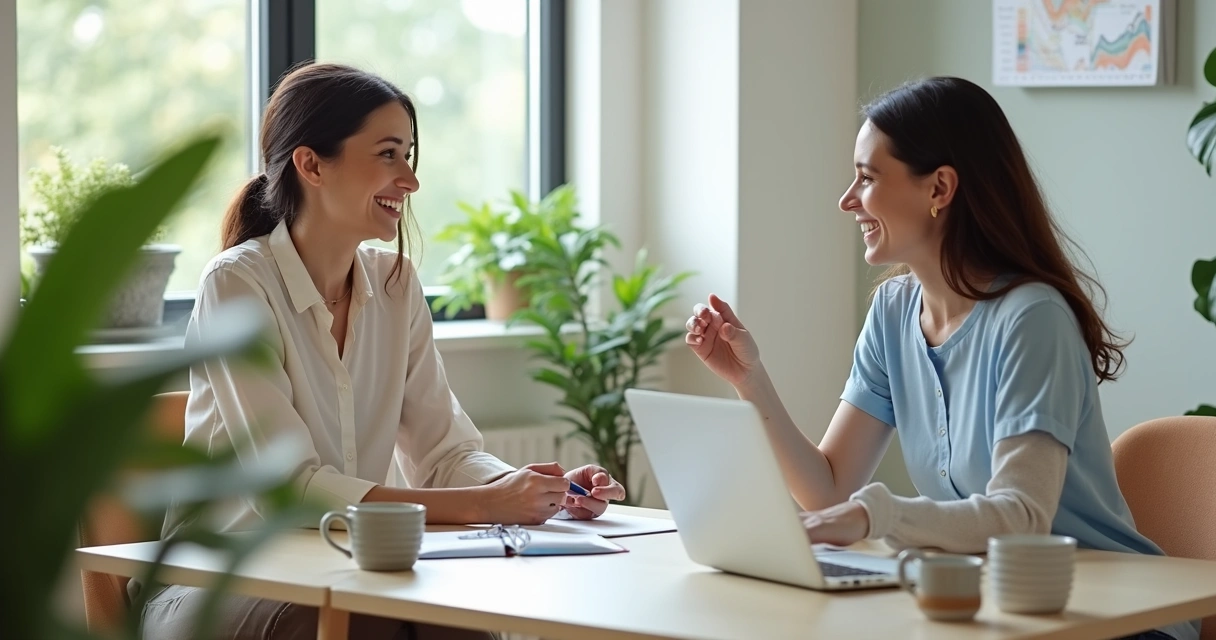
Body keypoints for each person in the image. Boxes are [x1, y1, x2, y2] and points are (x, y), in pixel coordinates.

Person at [683, 77, 1196, 640]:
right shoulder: (893, 312)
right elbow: (829, 490)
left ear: (940, 187)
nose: (847, 200)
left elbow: (1022, 516)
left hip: (1115, 619)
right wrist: (750, 380)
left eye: (867, 177)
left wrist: (876, 515)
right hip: (997, 611)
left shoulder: (1032, 318)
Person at [139, 62, 625, 640]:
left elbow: (444, 454)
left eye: (408, 156)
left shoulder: (396, 285)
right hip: (212, 581)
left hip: (340, 571)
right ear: (311, 165)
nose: (410, 180)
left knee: (459, 625)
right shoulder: (237, 284)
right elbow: (291, 490)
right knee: (357, 623)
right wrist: (485, 505)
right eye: (388, 154)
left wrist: (537, 491)